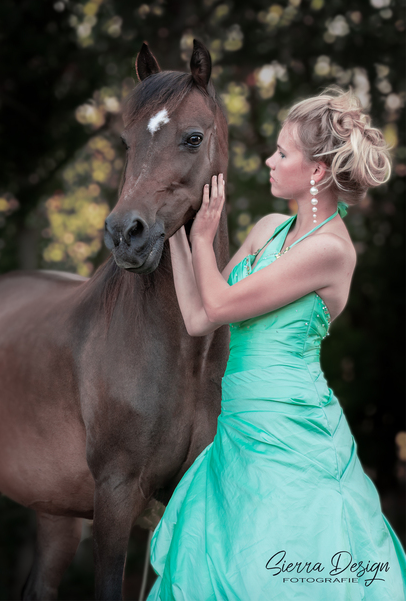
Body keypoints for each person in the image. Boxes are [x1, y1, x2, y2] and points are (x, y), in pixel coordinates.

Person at [146, 86, 406, 600]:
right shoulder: (268, 228)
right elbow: (199, 317)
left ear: (315, 173)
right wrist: (174, 226)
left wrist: (202, 239)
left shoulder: (329, 251)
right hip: (238, 431)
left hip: (291, 432)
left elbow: (218, 304)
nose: (269, 159)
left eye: (282, 152)